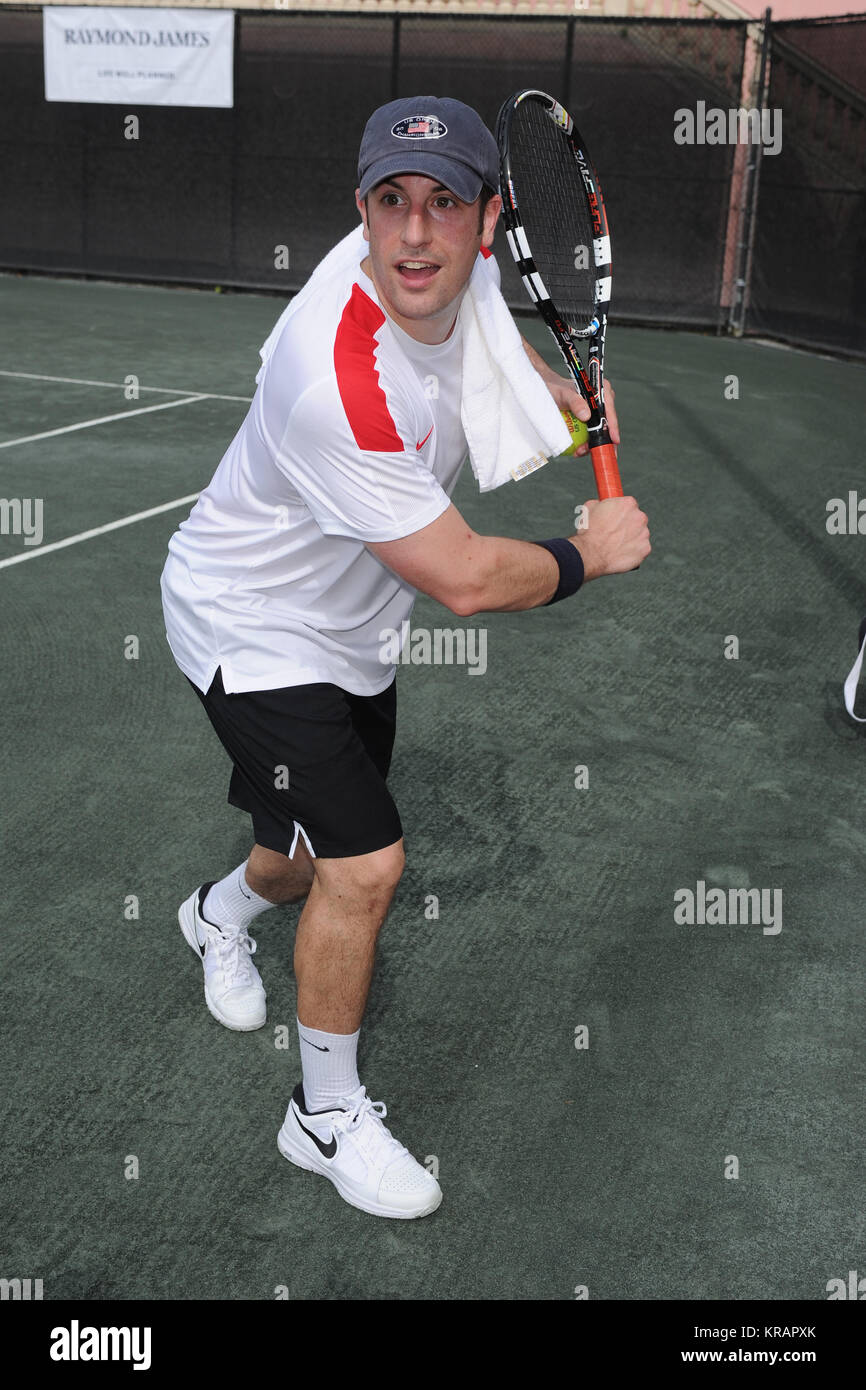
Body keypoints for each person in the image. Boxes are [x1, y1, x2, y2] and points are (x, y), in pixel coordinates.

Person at [160, 95, 650, 1221]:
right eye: (391, 204)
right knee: (367, 864)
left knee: (290, 859)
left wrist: (565, 407)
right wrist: (586, 553)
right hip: (250, 622)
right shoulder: (332, 374)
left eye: (442, 206)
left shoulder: (452, 271)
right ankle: (322, 1115)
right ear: (360, 212)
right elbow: (467, 576)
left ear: (487, 222)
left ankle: (215, 913)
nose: (414, 235)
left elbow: (489, 338)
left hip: (351, 629)